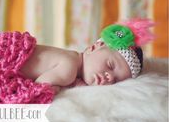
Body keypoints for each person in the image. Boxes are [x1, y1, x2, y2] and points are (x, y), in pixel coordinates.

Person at [20, 19, 154, 92]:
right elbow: (38, 88)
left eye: (116, 81)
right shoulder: (69, 67)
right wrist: (59, 87)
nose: (110, 77)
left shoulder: (72, 64)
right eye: (110, 65)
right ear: (93, 48)